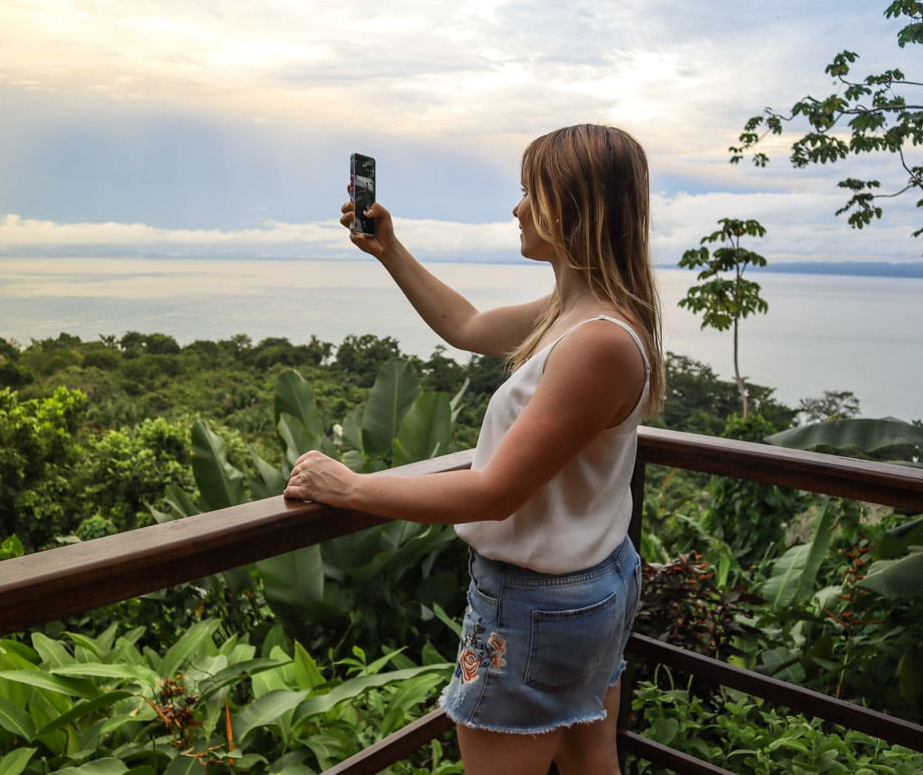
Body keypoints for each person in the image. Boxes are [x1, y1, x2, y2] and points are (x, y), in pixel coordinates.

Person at [283, 123, 665, 774]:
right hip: (592, 580)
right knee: (588, 753)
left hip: (541, 601)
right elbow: (466, 327)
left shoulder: (597, 339)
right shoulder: (575, 311)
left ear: (575, 206)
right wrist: (389, 251)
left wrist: (351, 487)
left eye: (530, 193)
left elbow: (495, 492)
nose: (516, 208)